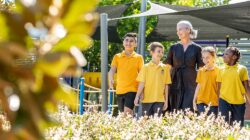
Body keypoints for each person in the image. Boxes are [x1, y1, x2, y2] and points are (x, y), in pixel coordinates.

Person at [165, 20, 204, 111]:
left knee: (188, 108)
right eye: (177, 30)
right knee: (174, 108)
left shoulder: (197, 48)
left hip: (191, 82)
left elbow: (201, 68)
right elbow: (167, 66)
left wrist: (200, 84)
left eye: (179, 29)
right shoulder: (173, 47)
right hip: (175, 81)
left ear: (188, 30)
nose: (177, 32)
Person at [109, 32, 144, 115]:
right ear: (123, 42)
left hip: (132, 90)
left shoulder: (139, 58)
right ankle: (132, 127)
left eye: (131, 41)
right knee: (125, 116)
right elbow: (112, 70)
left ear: (135, 44)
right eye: (127, 40)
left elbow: (142, 75)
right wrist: (110, 77)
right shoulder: (117, 57)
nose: (129, 43)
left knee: (126, 114)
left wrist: (141, 92)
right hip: (120, 90)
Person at [134, 42, 171, 117]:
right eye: (158, 51)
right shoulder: (145, 67)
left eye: (162, 52)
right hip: (146, 100)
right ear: (152, 52)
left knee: (157, 122)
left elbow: (166, 85)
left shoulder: (165, 68)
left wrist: (166, 101)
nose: (160, 54)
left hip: (160, 100)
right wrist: (137, 96)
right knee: (145, 122)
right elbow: (141, 83)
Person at [217, 46, 250, 126]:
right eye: (224, 54)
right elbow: (219, 88)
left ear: (234, 57)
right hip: (224, 101)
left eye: (226, 54)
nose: (223, 56)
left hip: (239, 102)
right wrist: (219, 102)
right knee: (223, 125)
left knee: (237, 126)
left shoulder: (242, 69)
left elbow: (247, 88)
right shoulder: (220, 69)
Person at [193, 46, 219, 115]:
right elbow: (198, 85)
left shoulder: (219, 71)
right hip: (201, 101)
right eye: (203, 57)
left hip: (214, 102)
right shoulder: (201, 71)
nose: (205, 60)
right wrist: (194, 100)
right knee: (203, 122)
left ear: (214, 57)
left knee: (212, 124)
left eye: (207, 57)